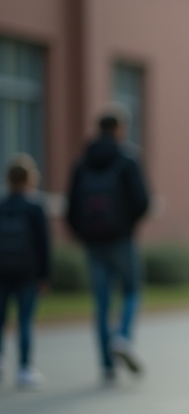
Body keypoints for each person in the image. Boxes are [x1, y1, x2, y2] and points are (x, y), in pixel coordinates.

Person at [65, 107, 151, 385]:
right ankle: (123, 336)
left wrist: (84, 233)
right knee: (131, 291)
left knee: (101, 302)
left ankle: (106, 366)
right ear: (119, 129)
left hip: (93, 242)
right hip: (121, 238)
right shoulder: (127, 159)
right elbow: (142, 201)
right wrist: (127, 224)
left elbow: (71, 207)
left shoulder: (82, 161)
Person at [0, 155, 50, 389]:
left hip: (2, 273)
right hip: (27, 274)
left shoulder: (2, 206)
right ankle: (24, 368)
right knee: (25, 321)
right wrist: (45, 275)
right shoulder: (34, 207)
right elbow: (43, 245)